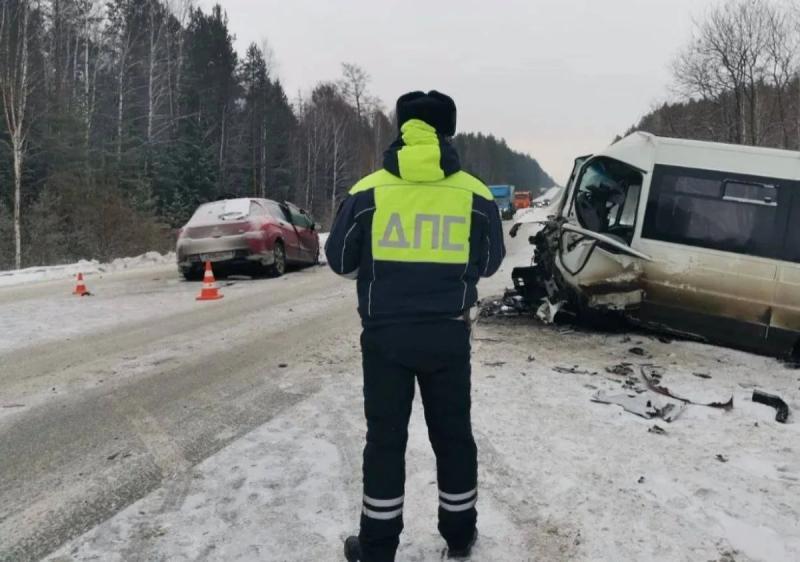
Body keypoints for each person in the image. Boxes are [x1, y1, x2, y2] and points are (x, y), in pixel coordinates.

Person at [325, 90, 505, 561]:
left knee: (385, 439)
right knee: (453, 435)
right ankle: (460, 535)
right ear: (449, 131)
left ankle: (378, 547)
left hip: (385, 336)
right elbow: (488, 264)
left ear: (400, 129)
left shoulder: (368, 191)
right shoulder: (476, 193)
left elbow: (340, 260)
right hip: (448, 333)